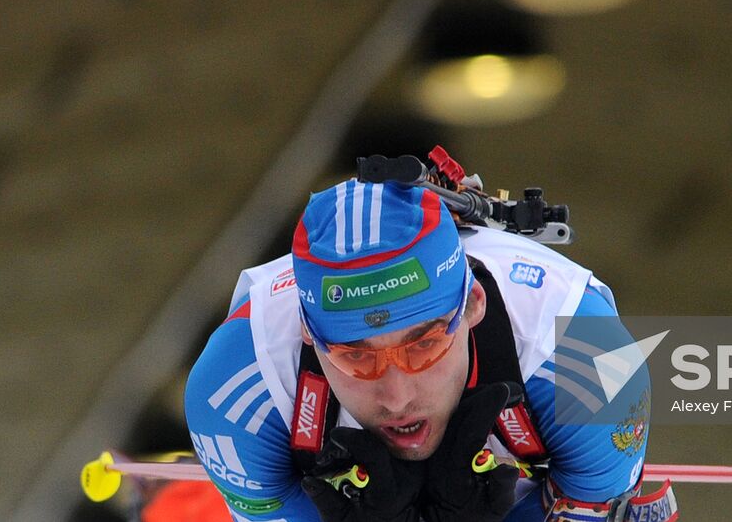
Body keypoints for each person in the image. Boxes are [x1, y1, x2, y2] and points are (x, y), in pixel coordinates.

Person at [184, 174, 677, 522]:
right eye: (355, 356)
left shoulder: (584, 356)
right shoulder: (234, 389)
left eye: (422, 345)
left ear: (472, 307)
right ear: (307, 334)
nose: (396, 397)